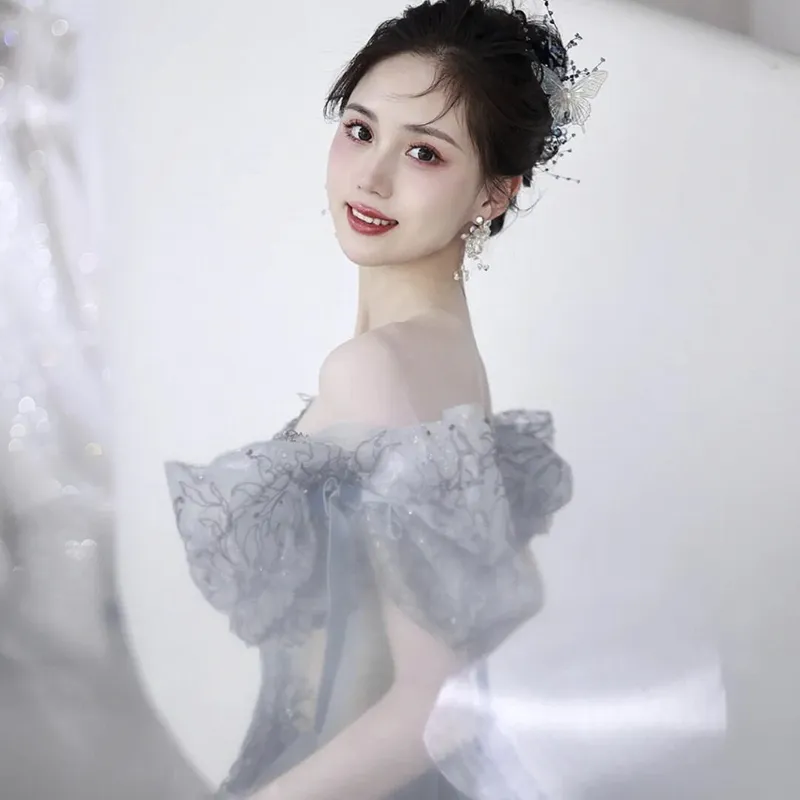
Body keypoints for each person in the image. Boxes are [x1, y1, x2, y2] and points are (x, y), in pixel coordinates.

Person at [165, 1, 594, 798]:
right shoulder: (442, 360)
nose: (371, 176)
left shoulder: (379, 369)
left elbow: (442, 710)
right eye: (361, 131)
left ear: (494, 194)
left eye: (425, 152)